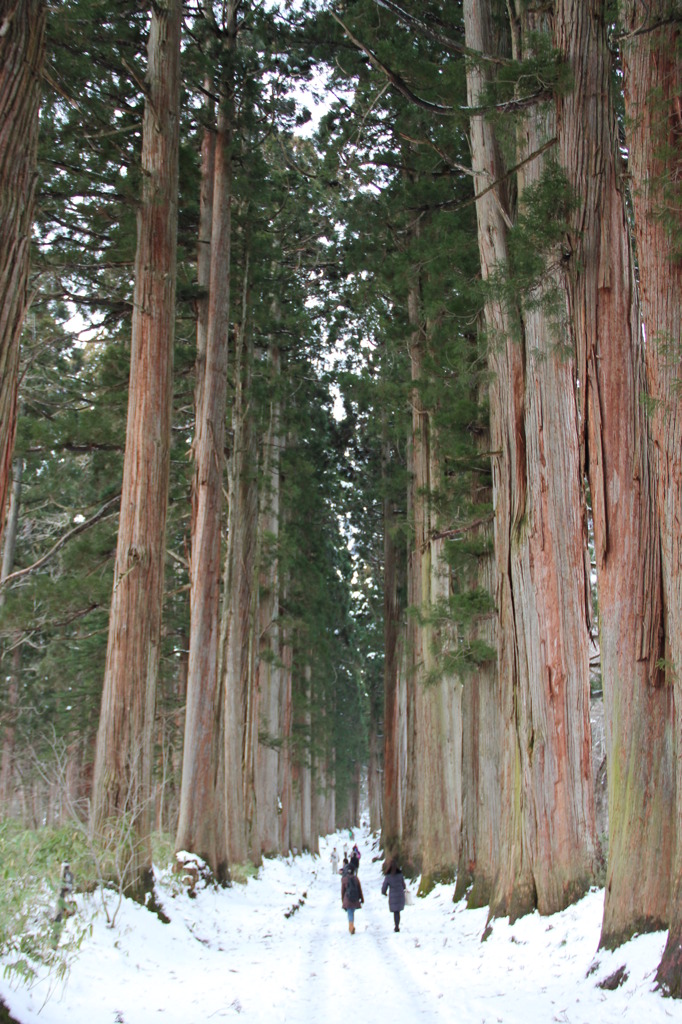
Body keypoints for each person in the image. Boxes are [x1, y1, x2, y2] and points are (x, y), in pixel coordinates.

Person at [381, 857, 406, 932]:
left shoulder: (388, 876)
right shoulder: (400, 874)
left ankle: (396, 925)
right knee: (397, 911)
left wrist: (384, 892)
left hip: (393, 895)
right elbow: (403, 885)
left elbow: (384, 886)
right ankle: (397, 925)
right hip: (400, 894)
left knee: (395, 912)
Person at [341, 865, 364, 934]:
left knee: (350, 912)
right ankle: (351, 926)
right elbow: (359, 890)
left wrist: (343, 901)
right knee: (351, 912)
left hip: (347, 899)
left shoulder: (344, 879)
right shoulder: (356, 879)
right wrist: (362, 899)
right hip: (355, 899)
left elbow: (343, 891)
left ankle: (351, 927)